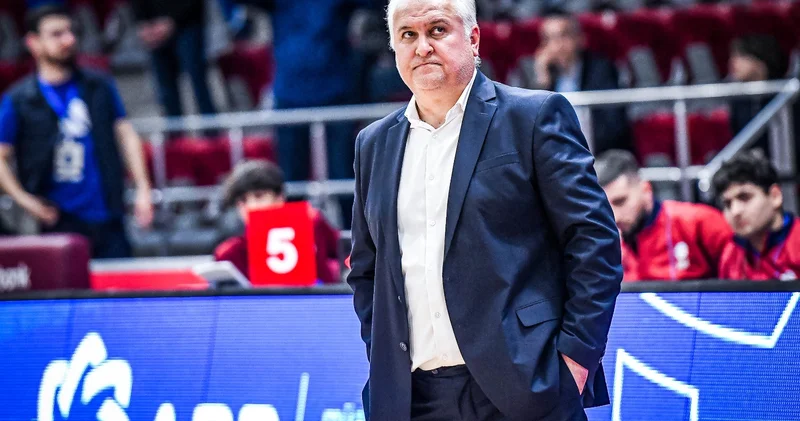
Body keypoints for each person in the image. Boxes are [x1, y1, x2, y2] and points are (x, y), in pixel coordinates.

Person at [347, 1, 623, 420]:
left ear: (473, 38)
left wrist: (576, 359)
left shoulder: (533, 116)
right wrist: (381, 350)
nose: (422, 47)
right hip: (412, 398)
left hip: (525, 386)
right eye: (408, 35)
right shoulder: (373, 144)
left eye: (437, 30)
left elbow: (593, 240)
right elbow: (366, 270)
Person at [0, 5, 153, 258]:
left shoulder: (99, 84)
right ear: (33, 43)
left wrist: (143, 188)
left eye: (71, 32)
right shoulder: (19, 99)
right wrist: (25, 200)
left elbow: (125, 133)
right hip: (58, 219)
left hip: (109, 214)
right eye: (56, 34)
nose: (68, 40)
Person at [508, 8, 631, 155]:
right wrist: (541, 80)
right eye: (549, 39)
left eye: (563, 36)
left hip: (595, 154)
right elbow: (528, 126)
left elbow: (612, 123)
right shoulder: (542, 74)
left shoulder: (600, 69)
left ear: (580, 39)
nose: (557, 45)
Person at [595, 149, 731, 281]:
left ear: (646, 189)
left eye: (620, 201)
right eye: (605, 207)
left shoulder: (699, 222)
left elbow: (739, 282)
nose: (615, 216)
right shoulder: (601, 243)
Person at [214, 160, 341, 284]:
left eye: (259, 196)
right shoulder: (230, 254)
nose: (251, 206)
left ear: (280, 198)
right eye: (243, 200)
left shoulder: (313, 224)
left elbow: (346, 255)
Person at [712, 151, 799, 281]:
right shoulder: (731, 253)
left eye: (745, 197)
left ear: (775, 196)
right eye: (728, 204)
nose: (735, 211)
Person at [131, 0, 217, 118]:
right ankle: (175, 128)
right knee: (166, 89)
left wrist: (172, 20)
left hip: (188, 22)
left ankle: (210, 127)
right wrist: (143, 23)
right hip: (153, 27)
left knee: (197, 81)